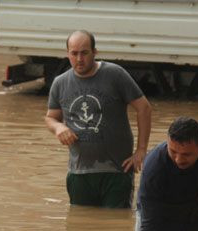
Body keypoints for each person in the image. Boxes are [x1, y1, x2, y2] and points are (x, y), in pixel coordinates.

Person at [45, 30, 152, 208]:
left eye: (84, 52)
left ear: (95, 52)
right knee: (81, 226)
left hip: (117, 170)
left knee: (116, 226)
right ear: (67, 54)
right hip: (79, 172)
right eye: (74, 53)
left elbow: (144, 108)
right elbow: (50, 118)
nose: (79, 59)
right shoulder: (60, 83)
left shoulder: (115, 74)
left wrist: (141, 150)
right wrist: (58, 128)